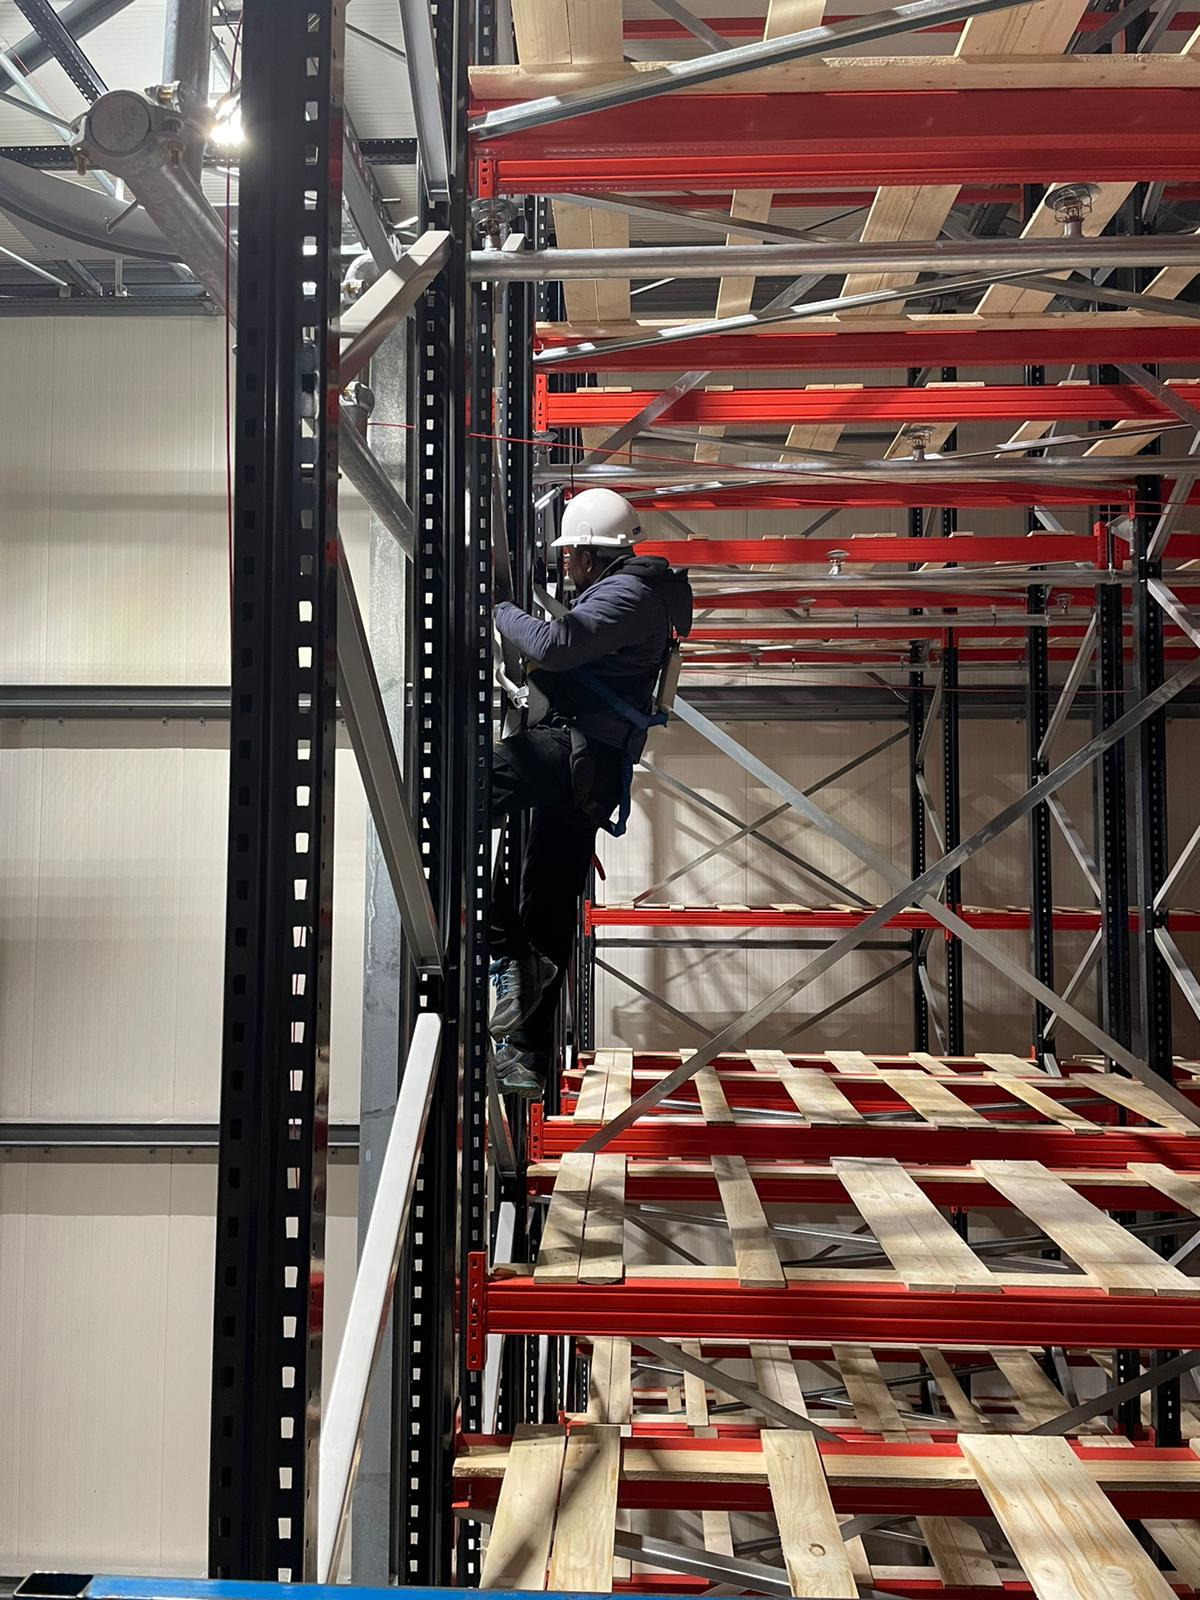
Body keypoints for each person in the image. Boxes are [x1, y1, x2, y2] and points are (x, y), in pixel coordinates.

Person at [488, 488, 693, 1097]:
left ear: (589, 551)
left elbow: (555, 645)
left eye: (570, 555)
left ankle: (506, 949)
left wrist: (499, 609)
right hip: (590, 771)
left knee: (462, 797)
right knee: (547, 908)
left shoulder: (630, 593)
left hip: (573, 755)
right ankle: (524, 1055)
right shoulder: (639, 592)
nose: (566, 566)